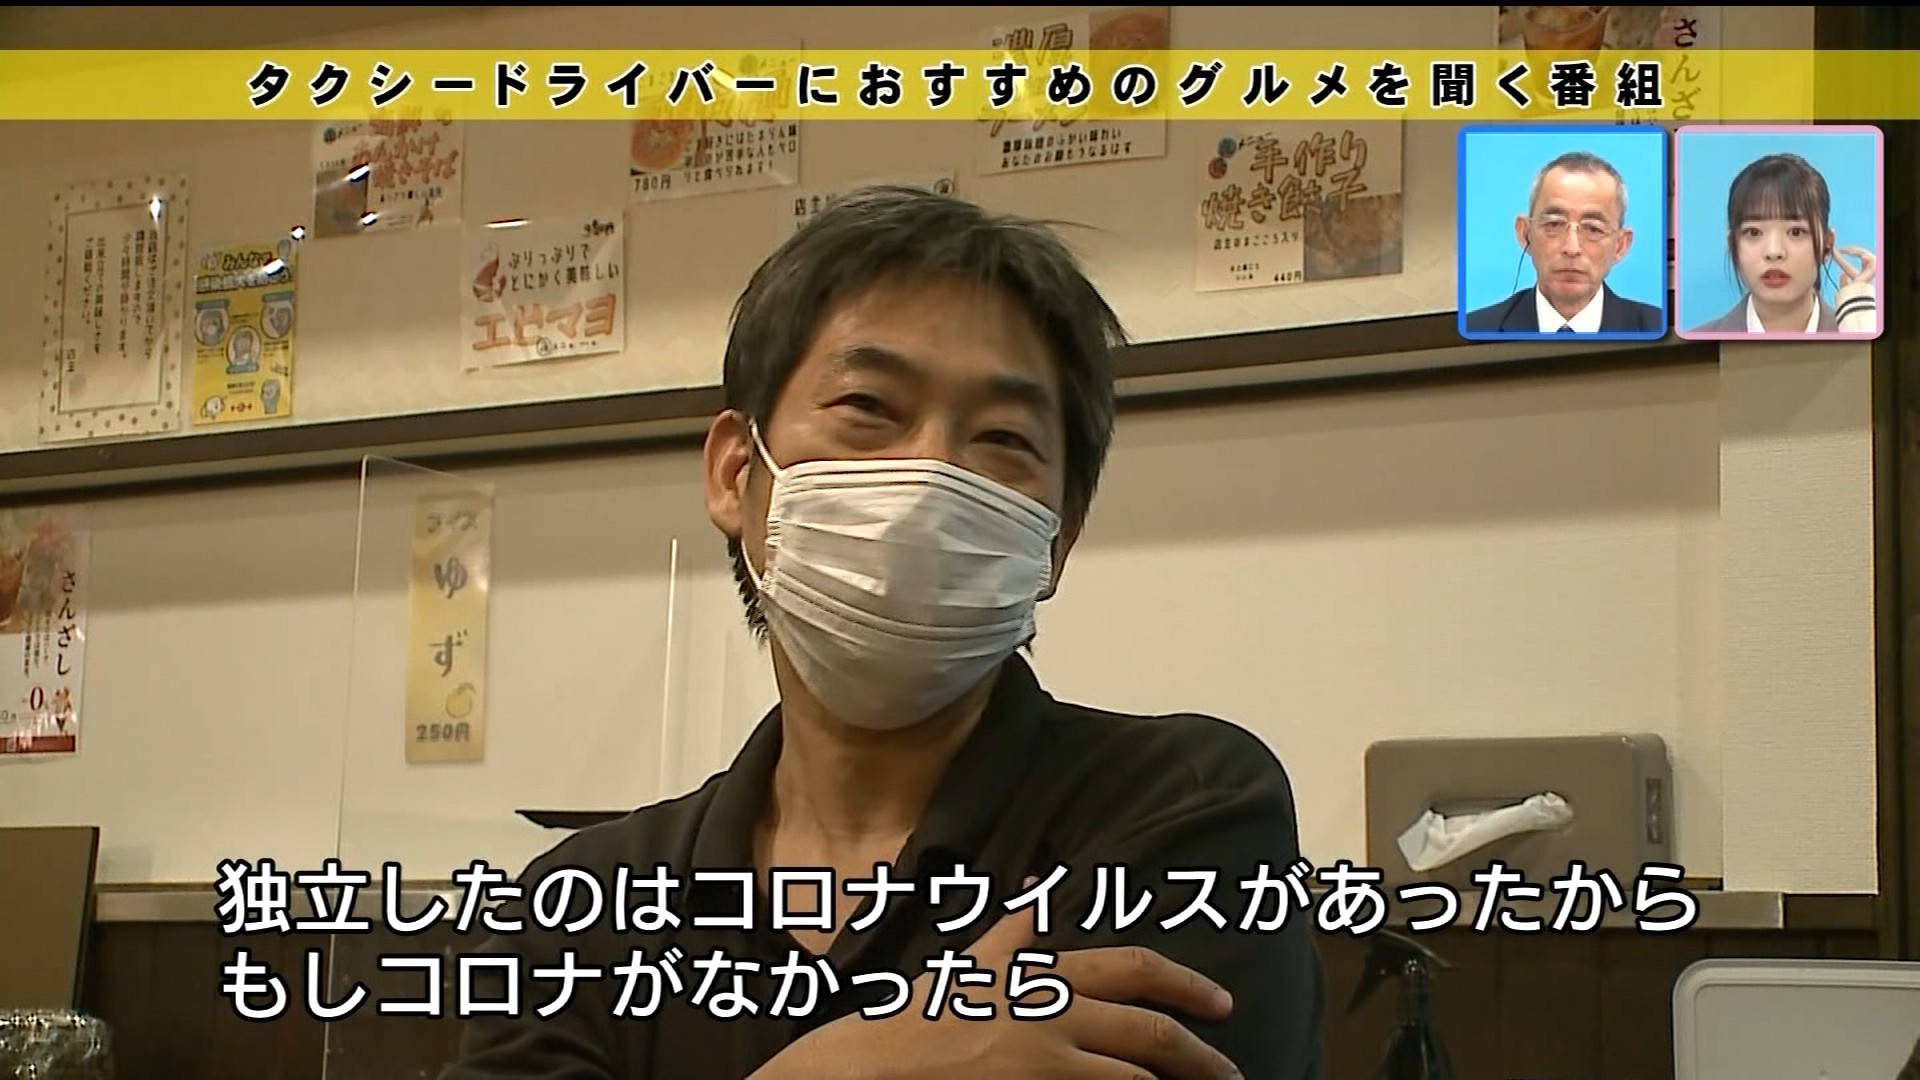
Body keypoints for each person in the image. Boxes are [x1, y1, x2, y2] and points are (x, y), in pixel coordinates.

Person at [443, 186, 1326, 1080]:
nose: (929, 472)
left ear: (1057, 539)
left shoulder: (1185, 809)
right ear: (736, 473)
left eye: (1004, 438)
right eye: (868, 405)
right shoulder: (583, 910)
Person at [1463, 150, 1665, 335]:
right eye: (1554, 224)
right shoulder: (1475, 331)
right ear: (1525, 234)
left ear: (1620, 245)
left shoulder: (1658, 329)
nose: (1571, 248)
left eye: (1593, 229)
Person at [1686, 152, 1878, 335]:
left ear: (1826, 246)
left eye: (1796, 232)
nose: (1774, 252)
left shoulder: (1861, 333)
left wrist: (1860, 327)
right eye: (1754, 232)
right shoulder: (1694, 349)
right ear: (1732, 246)